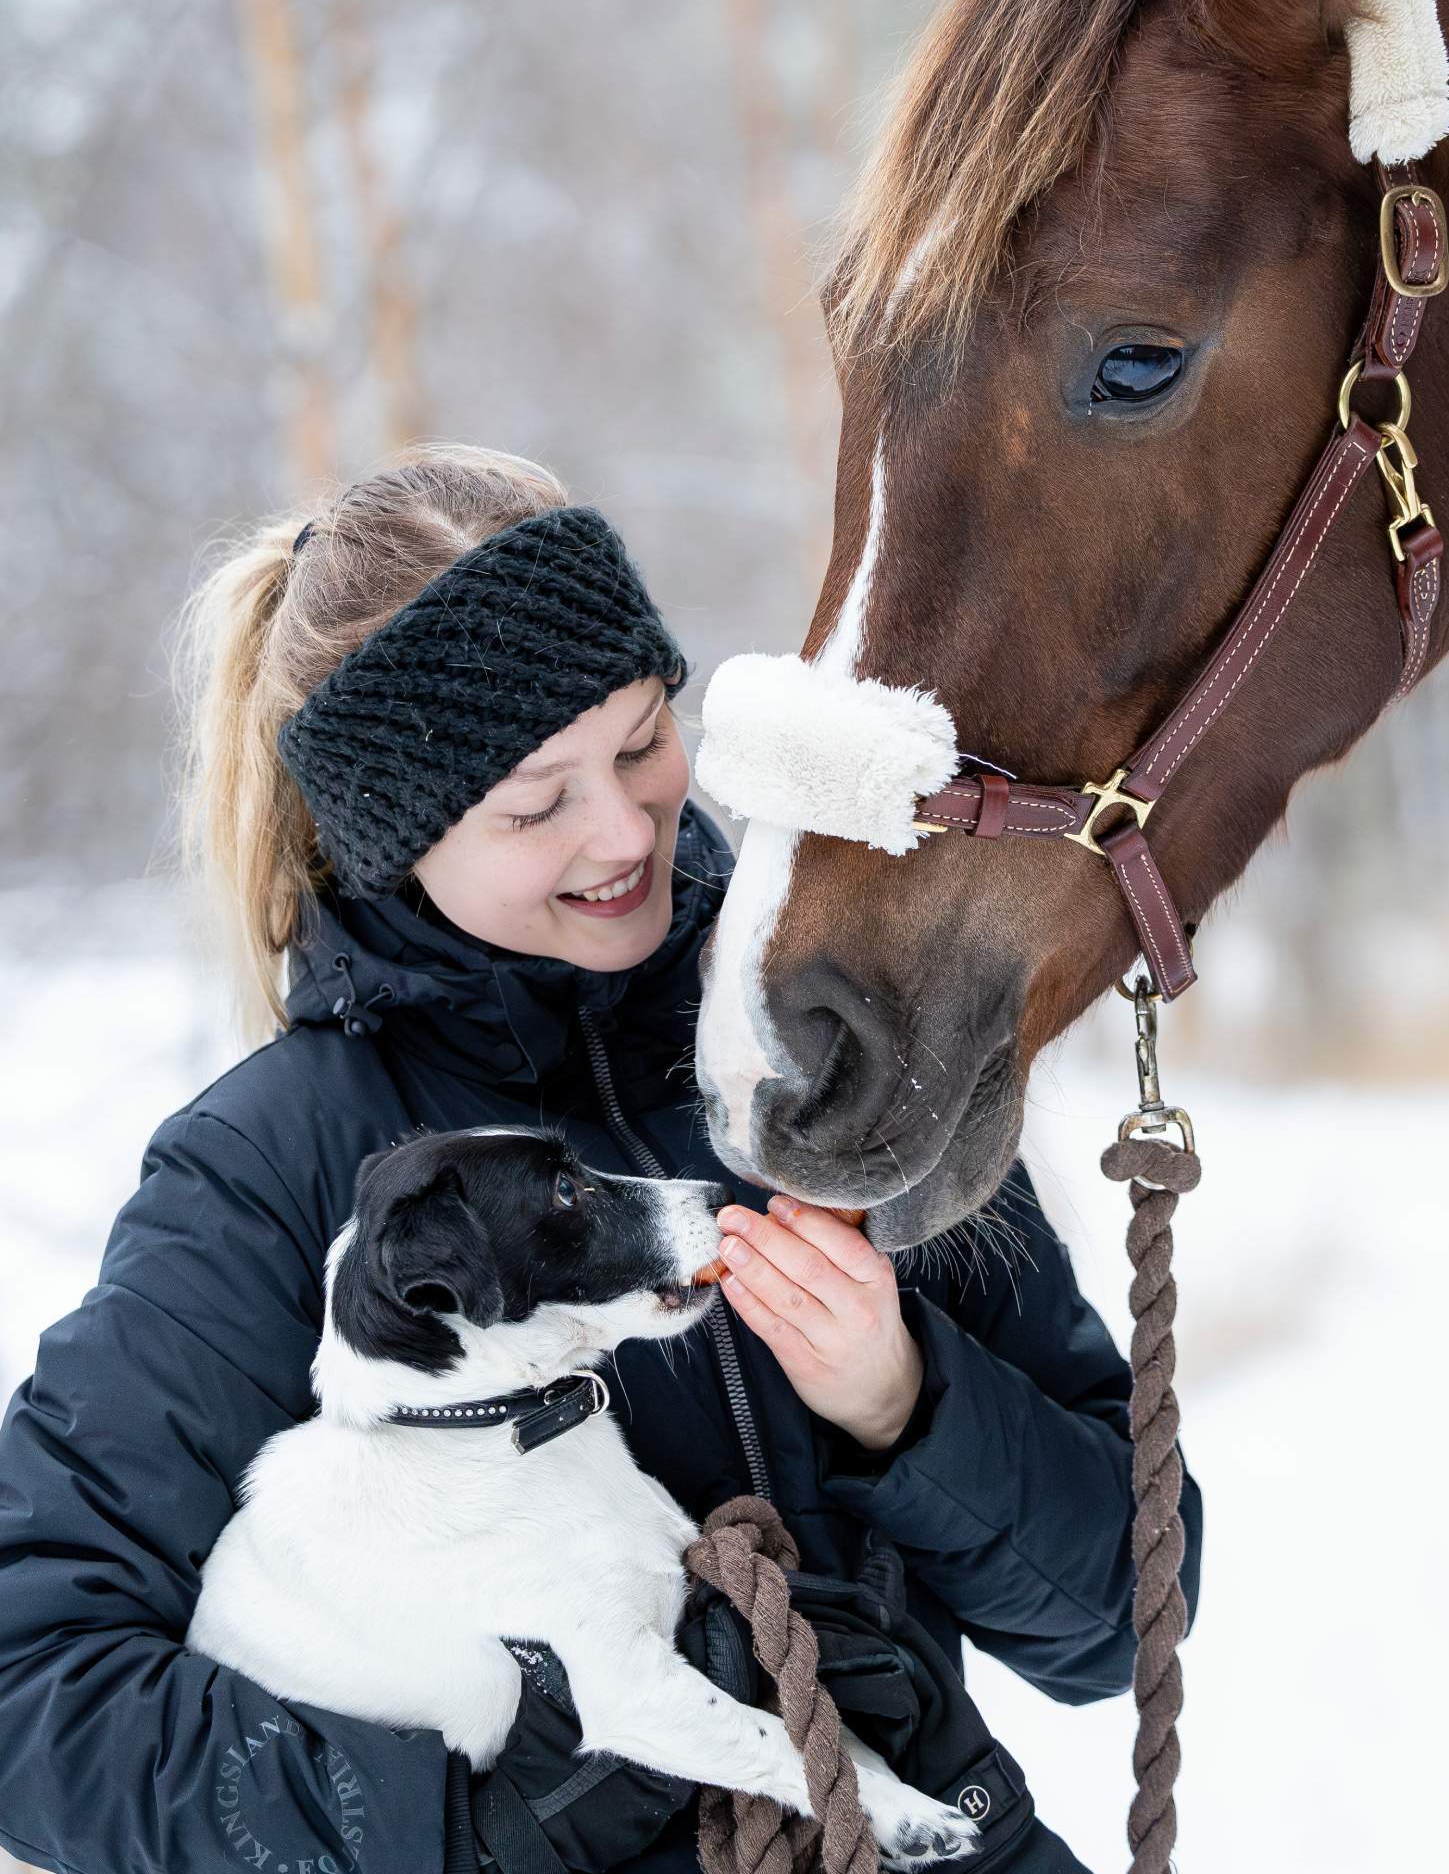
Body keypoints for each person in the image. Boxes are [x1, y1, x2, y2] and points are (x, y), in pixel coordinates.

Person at [0, 445, 1202, 1874]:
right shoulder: (274, 1169)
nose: (626, 830)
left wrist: (910, 1411)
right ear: (398, 832)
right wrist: (476, 1828)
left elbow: (1127, 1624)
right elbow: (35, 1696)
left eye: (642, 742)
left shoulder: (827, 1032)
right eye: (532, 804)